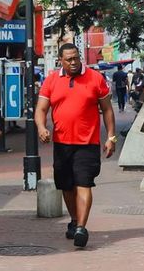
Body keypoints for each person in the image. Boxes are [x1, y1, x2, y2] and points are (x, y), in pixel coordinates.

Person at [36, 43, 117, 248]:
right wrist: (41, 128)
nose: (73, 62)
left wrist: (111, 137)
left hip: (87, 143)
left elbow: (107, 110)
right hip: (61, 143)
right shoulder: (52, 79)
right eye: (69, 59)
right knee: (66, 186)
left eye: (76, 58)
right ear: (60, 61)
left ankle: (81, 227)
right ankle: (74, 219)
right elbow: (41, 109)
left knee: (84, 183)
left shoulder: (95, 78)